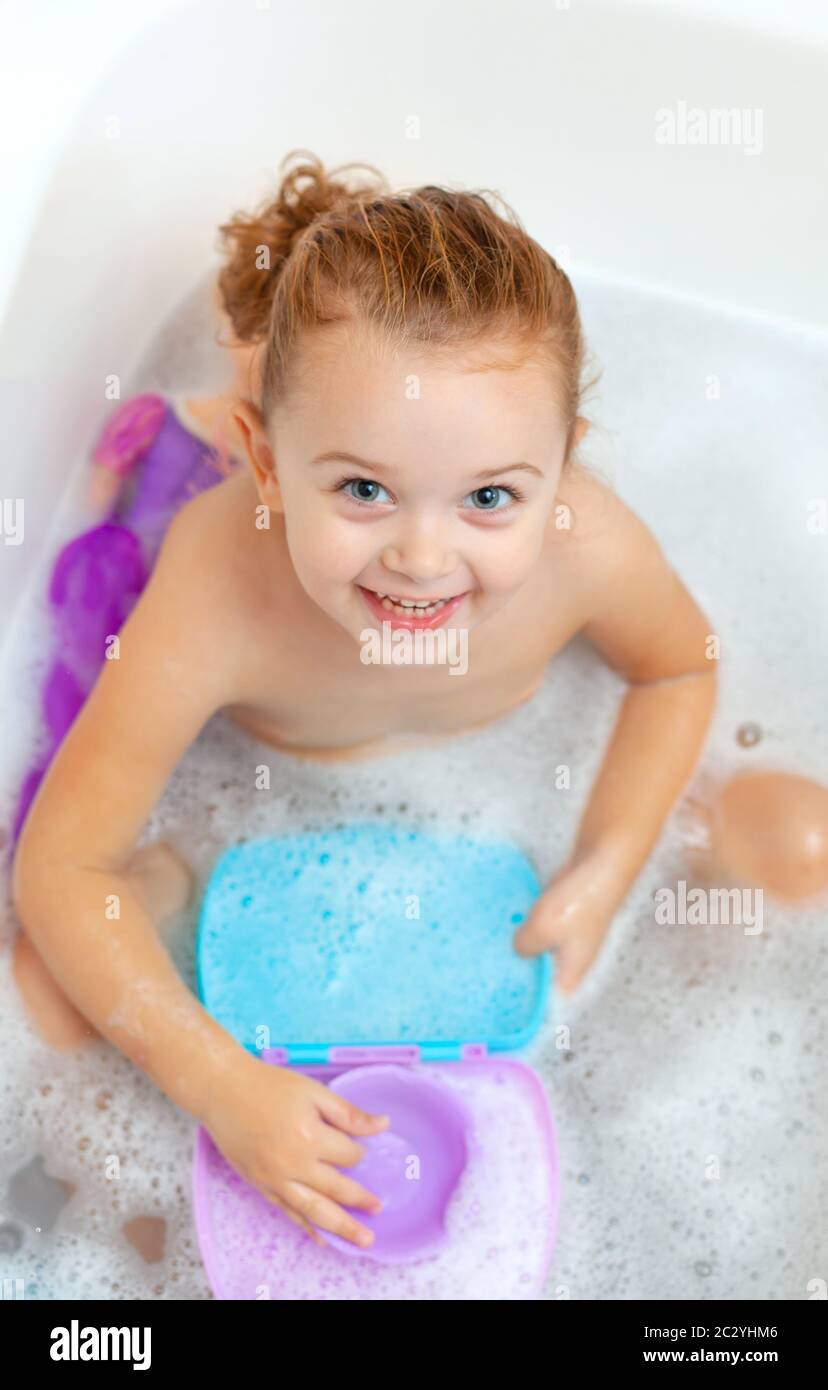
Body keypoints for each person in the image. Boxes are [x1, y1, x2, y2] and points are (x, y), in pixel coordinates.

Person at [11, 149, 718, 1251]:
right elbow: (59, 867)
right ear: (260, 459)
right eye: (362, 488)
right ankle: (133, 1248)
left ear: (562, 467)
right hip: (235, 850)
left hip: (491, 847)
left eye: (491, 495)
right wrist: (227, 1090)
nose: (423, 555)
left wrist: (609, 863)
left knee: (796, 841)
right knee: (47, 984)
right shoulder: (215, 591)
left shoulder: (589, 543)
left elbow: (681, 666)